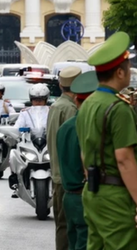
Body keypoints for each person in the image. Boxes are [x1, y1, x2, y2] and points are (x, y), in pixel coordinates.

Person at [76, 32, 137, 249]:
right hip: (115, 196)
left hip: (92, 192)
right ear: (120, 73)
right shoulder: (118, 108)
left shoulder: (87, 105)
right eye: (128, 67)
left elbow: (84, 154)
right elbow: (124, 159)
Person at [57, 71, 98, 250]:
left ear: (76, 100)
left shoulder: (65, 128)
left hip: (68, 195)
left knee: (73, 242)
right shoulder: (88, 126)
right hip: (84, 195)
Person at [45, 66, 82, 250]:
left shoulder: (55, 106)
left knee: (62, 225)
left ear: (60, 85)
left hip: (57, 174)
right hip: (68, 178)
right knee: (70, 228)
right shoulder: (70, 109)